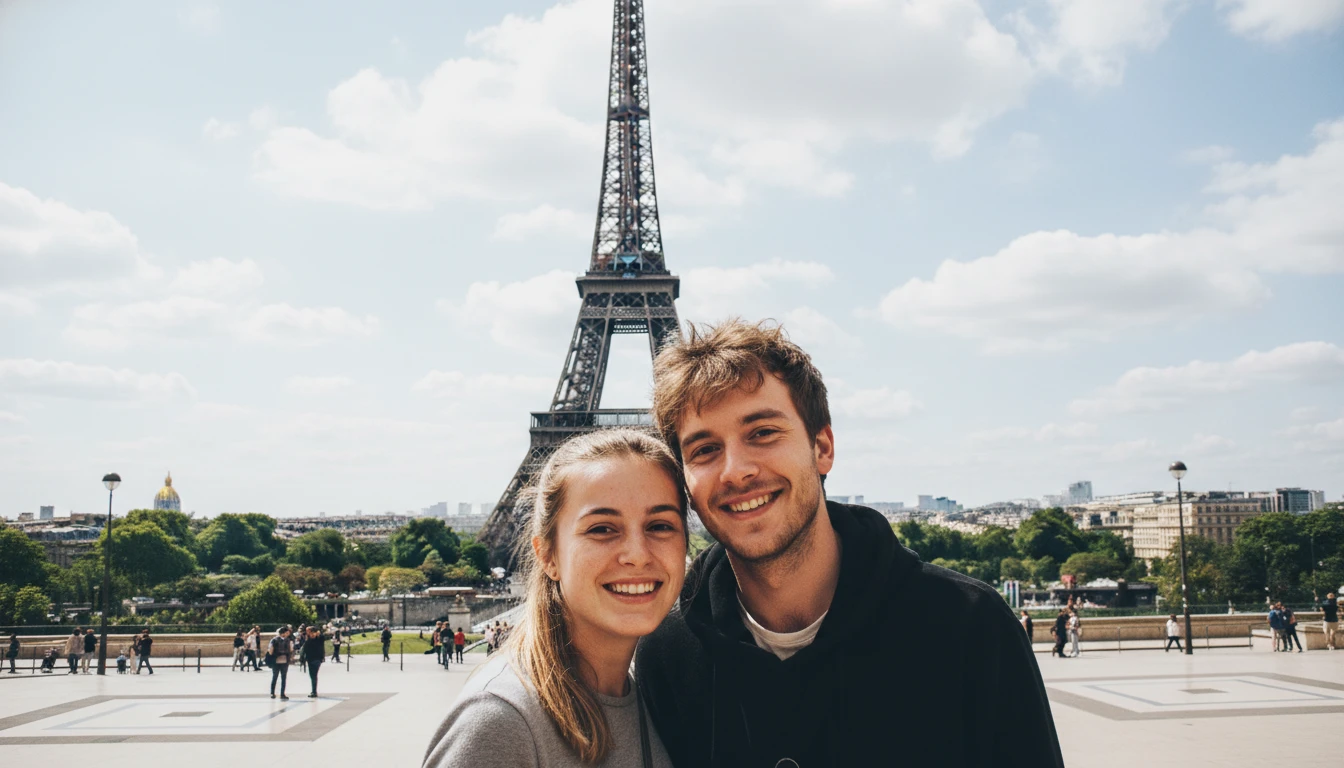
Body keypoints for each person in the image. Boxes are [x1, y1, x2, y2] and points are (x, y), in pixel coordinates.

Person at [636, 320, 1063, 767]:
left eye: (762, 433)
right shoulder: (666, 655)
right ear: (685, 482)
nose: (736, 471)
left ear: (822, 447)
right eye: (704, 450)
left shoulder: (974, 626)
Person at [423, 429, 684, 767]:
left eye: (660, 526)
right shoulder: (499, 722)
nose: (637, 554)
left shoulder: (658, 696)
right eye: (602, 529)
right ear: (548, 555)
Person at [268, 626, 294, 700]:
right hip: (284, 661)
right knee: (283, 677)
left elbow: (270, 650)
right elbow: (291, 650)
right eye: (287, 632)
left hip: (276, 661)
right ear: (283, 633)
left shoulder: (274, 640)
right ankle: (282, 693)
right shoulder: (288, 640)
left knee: (275, 677)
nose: (288, 634)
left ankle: (272, 693)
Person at [303, 625, 325, 698]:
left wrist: (319, 632)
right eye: (311, 633)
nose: (312, 634)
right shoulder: (308, 640)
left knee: (314, 675)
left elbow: (323, 637)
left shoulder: (319, 639)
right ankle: (314, 691)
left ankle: (314, 691)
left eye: (313, 633)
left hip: (317, 659)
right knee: (312, 675)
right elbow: (305, 649)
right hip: (310, 659)